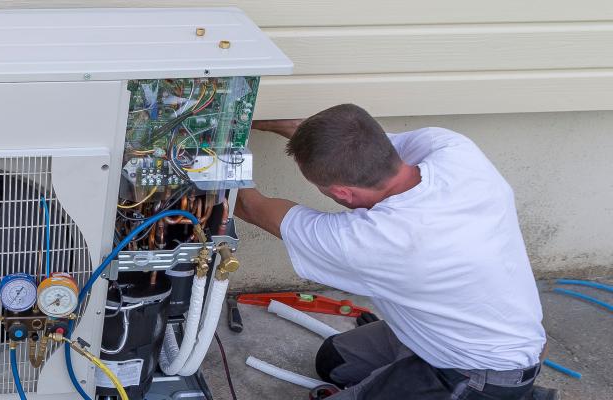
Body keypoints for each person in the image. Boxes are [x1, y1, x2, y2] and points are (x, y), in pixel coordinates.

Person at [233, 104, 553, 399]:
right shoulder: (453, 151)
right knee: (333, 362)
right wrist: (249, 117)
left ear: (342, 192)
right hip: (445, 334)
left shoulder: (379, 240)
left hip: (480, 374)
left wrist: (219, 153)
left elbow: (249, 206)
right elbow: (345, 144)